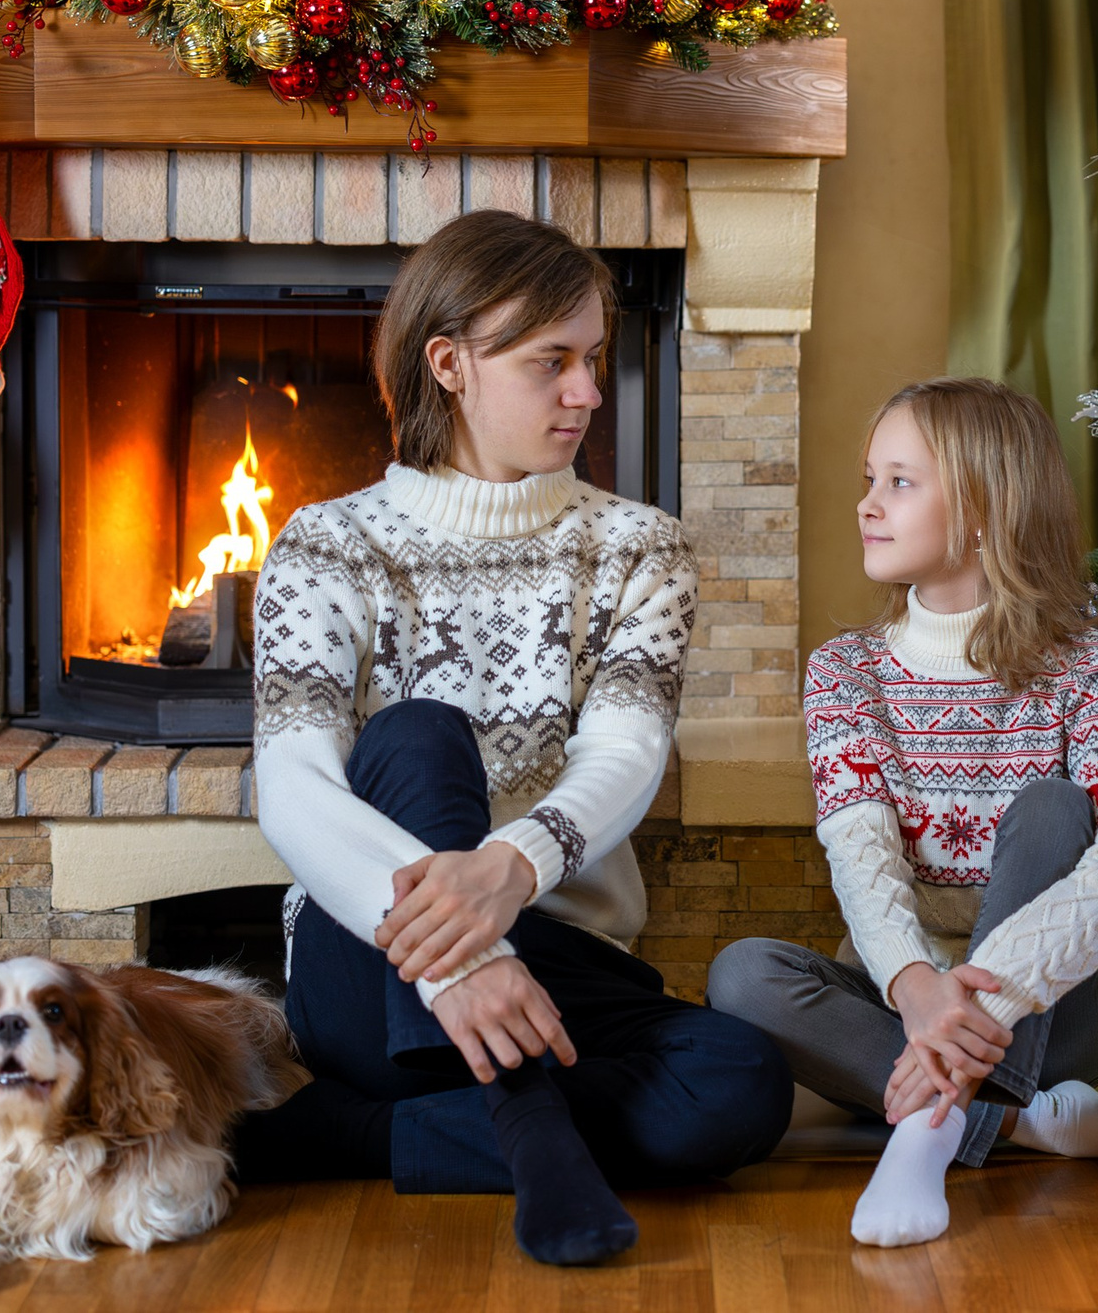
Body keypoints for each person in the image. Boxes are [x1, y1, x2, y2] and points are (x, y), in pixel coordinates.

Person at [237, 211, 792, 1266]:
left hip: (561, 960)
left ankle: (348, 1136)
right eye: (551, 362)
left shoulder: (640, 549)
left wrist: (514, 870)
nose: (587, 392)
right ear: (449, 363)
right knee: (417, 734)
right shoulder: (328, 544)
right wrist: (468, 957)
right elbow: (296, 787)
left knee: (744, 1084)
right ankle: (529, 1114)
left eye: (593, 359)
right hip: (372, 959)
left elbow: (624, 756)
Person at [708, 378, 1098, 1248]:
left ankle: (928, 1129)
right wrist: (918, 993)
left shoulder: (1092, 665)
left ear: (983, 508)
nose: (867, 504)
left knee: (1056, 807)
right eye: (870, 480)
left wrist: (978, 1009)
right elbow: (861, 856)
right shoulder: (845, 672)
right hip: (908, 1011)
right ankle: (1034, 1121)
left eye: (899, 482)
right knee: (742, 977)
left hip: (1058, 1009)